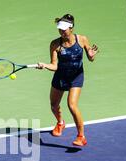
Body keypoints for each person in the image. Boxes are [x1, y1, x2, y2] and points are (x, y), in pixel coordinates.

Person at [37, 14, 99, 146]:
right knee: (54, 105)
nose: (61, 32)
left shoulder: (82, 39)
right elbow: (54, 65)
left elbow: (90, 56)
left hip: (76, 77)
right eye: (60, 29)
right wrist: (45, 65)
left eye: (64, 29)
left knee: (72, 105)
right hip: (60, 77)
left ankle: (81, 136)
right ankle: (60, 122)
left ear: (71, 28)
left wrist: (91, 56)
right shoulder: (55, 44)